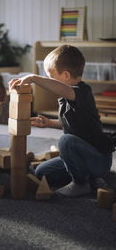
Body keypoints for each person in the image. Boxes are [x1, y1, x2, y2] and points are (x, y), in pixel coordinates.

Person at [9, 44, 114, 197]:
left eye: (51, 77)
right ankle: (91, 178)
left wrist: (33, 78)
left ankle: (81, 183)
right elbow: (73, 125)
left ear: (65, 76)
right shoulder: (66, 97)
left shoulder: (81, 92)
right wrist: (48, 123)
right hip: (83, 157)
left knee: (66, 141)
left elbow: (64, 90)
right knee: (41, 173)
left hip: (99, 160)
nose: (49, 82)